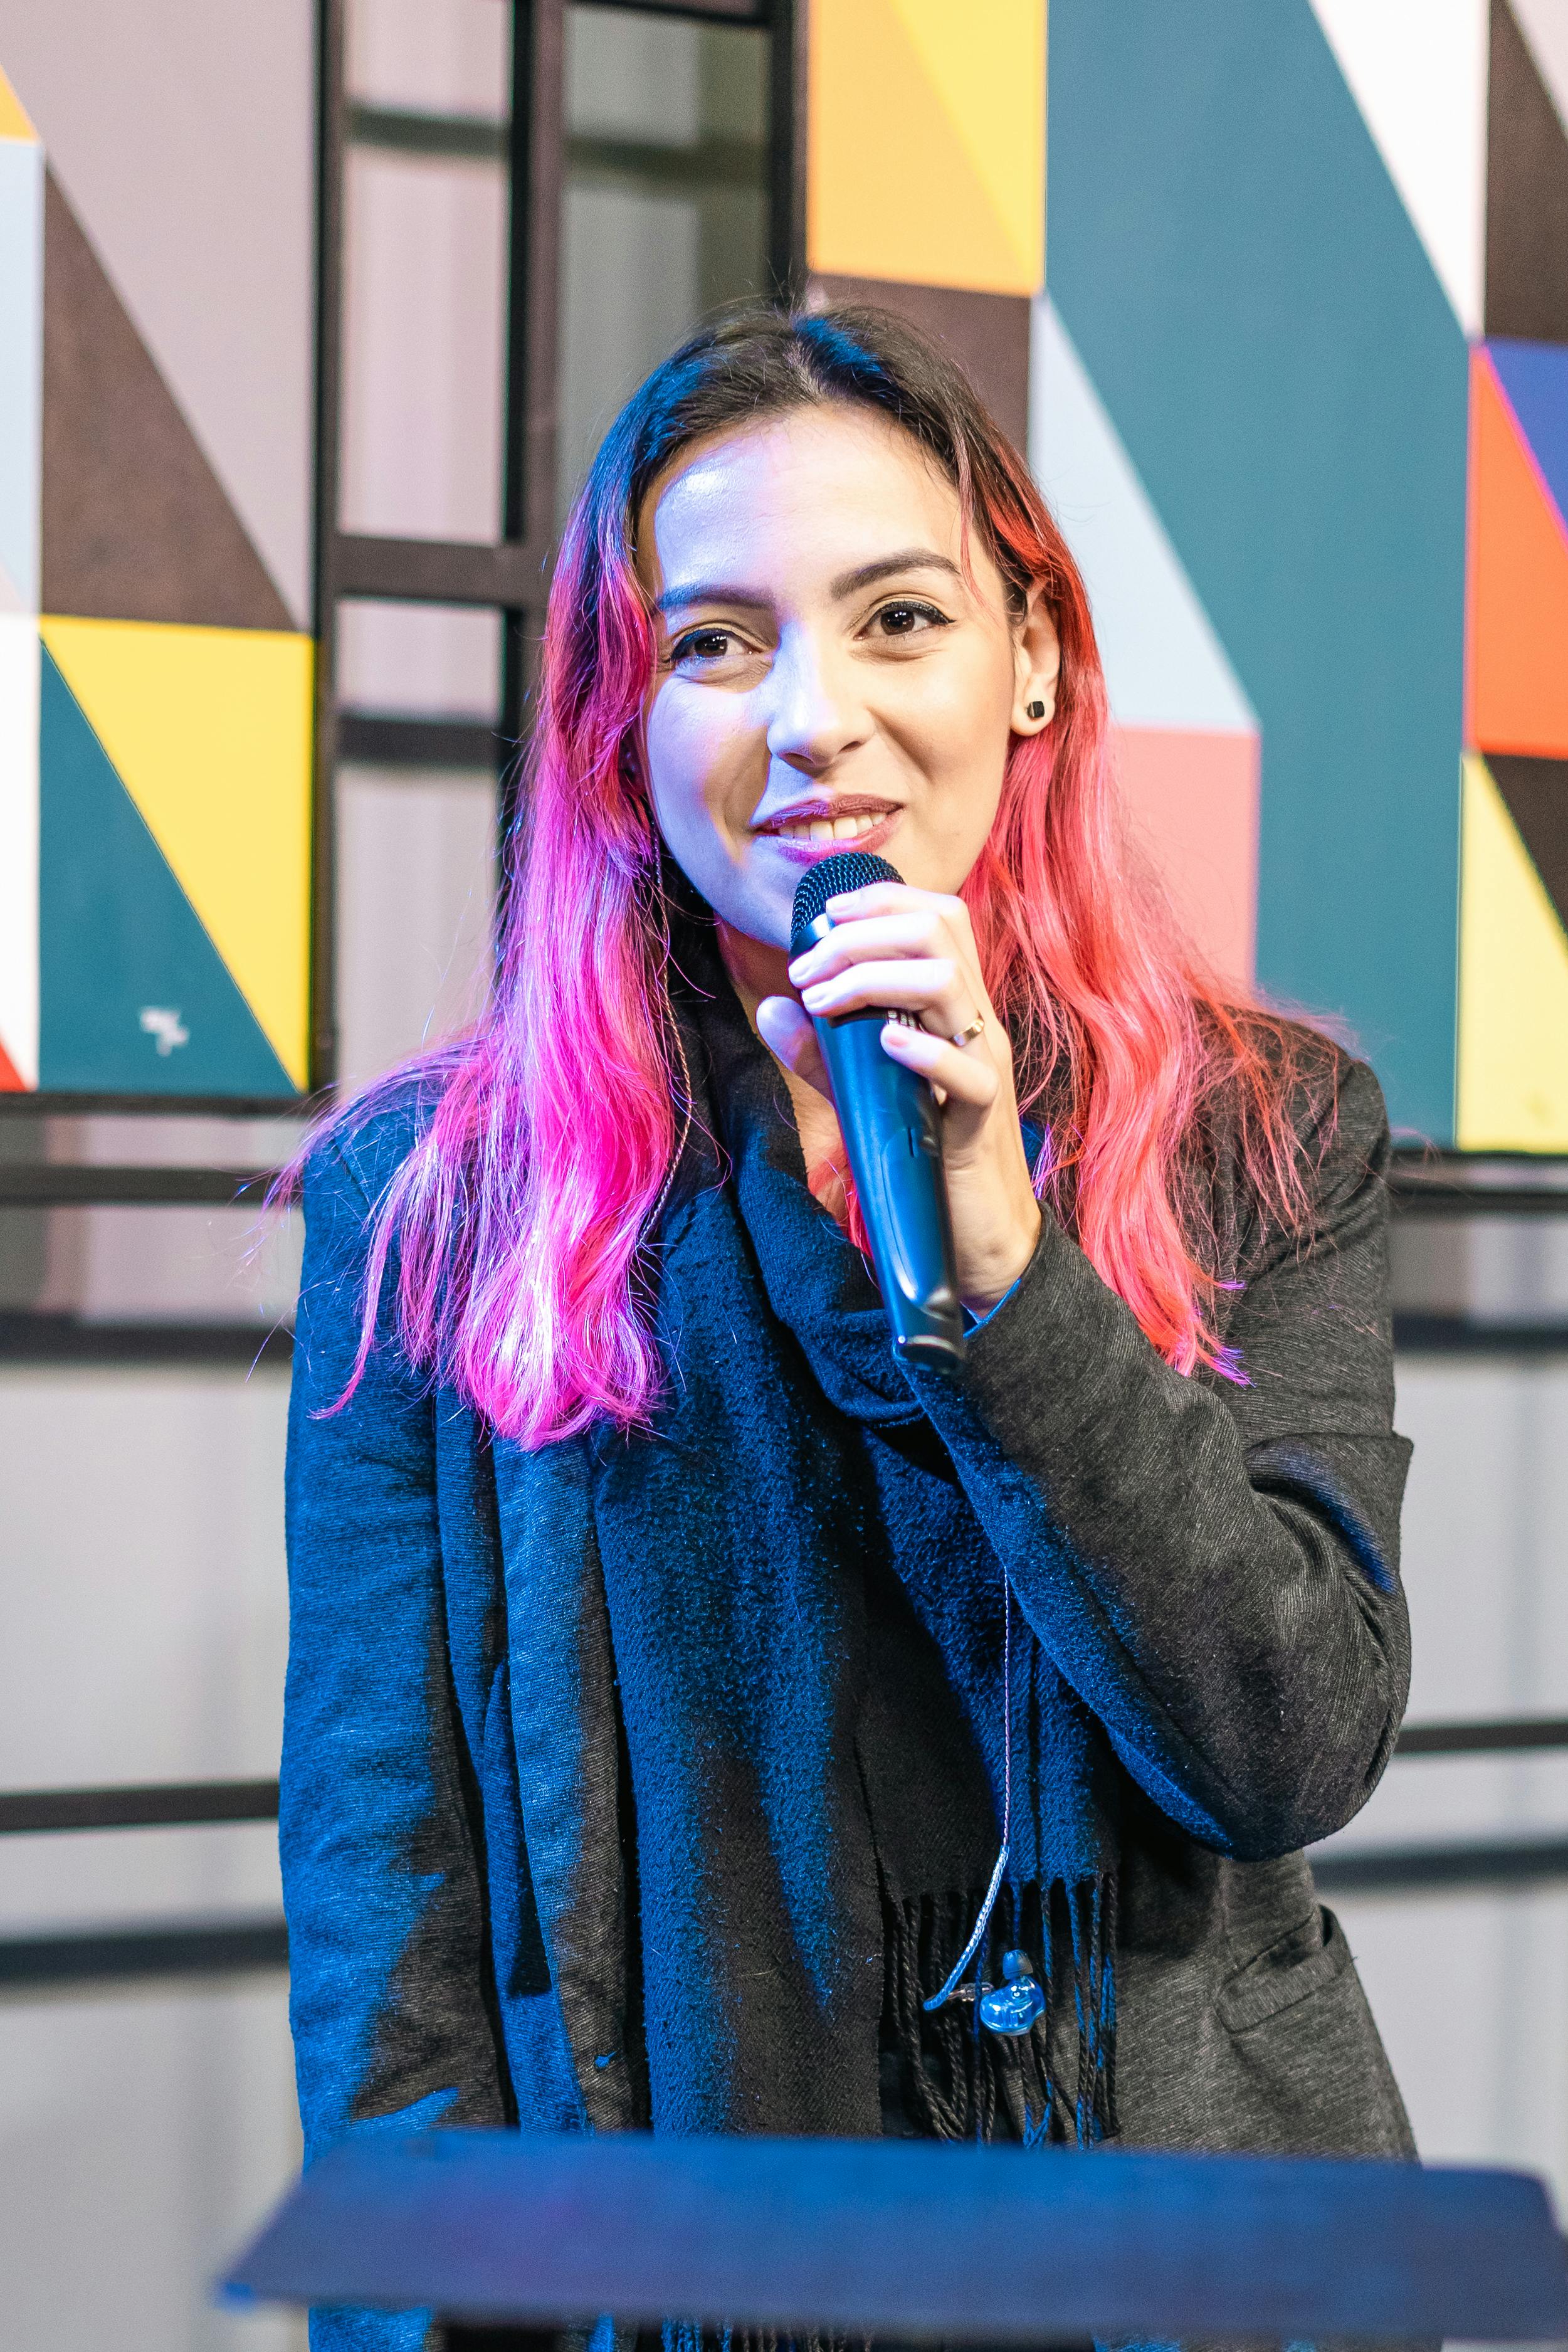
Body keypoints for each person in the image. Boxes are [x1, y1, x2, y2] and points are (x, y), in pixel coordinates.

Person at [282, 305, 1415, 2348]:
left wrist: (1002, 1272)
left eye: (899, 617)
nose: (812, 716)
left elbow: (1291, 1739)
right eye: (714, 643)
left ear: (1033, 655)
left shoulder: (1260, 1131)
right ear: (617, 723)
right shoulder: (436, 1206)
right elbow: (397, 1932)